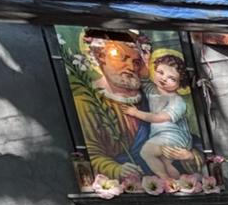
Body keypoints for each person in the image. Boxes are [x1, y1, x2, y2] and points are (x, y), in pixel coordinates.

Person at [75, 31, 200, 178]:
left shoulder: (150, 95)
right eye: (122, 58)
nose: (131, 67)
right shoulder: (87, 101)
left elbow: (182, 134)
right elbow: (91, 153)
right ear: (100, 57)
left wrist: (191, 156)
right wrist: (116, 170)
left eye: (136, 62)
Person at [123, 51, 196, 179]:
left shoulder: (177, 101)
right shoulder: (151, 89)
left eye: (172, 78)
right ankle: (175, 182)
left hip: (174, 136)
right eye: (160, 72)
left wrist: (136, 113)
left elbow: (159, 118)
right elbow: (143, 78)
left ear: (181, 83)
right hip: (159, 135)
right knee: (165, 163)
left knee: (146, 152)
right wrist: (145, 61)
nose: (163, 79)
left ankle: (165, 179)